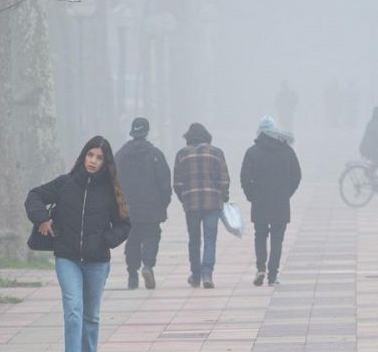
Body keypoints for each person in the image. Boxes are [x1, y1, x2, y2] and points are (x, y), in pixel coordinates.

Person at [26, 137, 131, 352]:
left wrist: (106, 240)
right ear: (83, 156)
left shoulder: (110, 191)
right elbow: (34, 196)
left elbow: (124, 224)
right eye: (90, 155)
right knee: (73, 308)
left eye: (99, 157)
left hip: (97, 261)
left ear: (106, 163)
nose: (93, 161)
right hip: (67, 257)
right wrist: (42, 219)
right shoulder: (65, 184)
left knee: (91, 314)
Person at [240, 116, 301, 287]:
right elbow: (296, 176)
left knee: (260, 235)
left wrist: (251, 195)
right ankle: (272, 275)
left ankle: (260, 268)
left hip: (259, 201)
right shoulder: (287, 151)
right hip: (280, 202)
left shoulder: (252, 152)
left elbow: (244, 177)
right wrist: (287, 193)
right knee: (277, 239)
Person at [114, 117, 172, 290]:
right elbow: (164, 182)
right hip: (151, 206)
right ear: (147, 132)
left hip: (128, 207)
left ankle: (132, 275)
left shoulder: (121, 155)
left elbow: (112, 181)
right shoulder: (155, 154)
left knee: (132, 239)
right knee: (152, 236)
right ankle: (147, 265)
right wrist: (164, 203)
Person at [172, 122, 228, 289]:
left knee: (194, 240)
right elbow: (224, 179)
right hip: (212, 202)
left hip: (191, 204)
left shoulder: (181, 154)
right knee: (210, 239)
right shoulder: (216, 153)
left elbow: (177, 183)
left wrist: (185, 198)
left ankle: (195, 275)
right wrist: (223, 196)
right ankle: (207, 274)